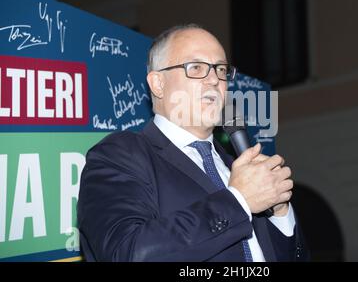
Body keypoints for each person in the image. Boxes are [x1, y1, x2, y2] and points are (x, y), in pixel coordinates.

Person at [77, 24, 309, 262]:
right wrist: (238, 201)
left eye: (220, 69)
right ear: (158, 84)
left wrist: (279, 215)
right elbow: (126, 253)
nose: (213, 80)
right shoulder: (121, 155)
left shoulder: (237, 168)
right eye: (196, 67)